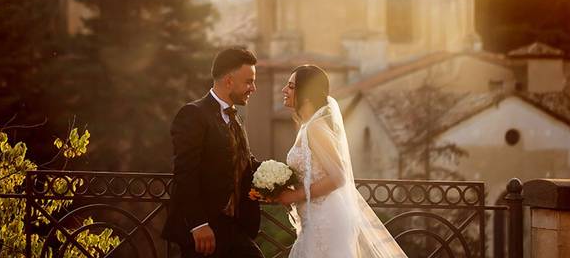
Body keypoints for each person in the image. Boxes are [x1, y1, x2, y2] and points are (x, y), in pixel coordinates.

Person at [276, 65, 407, 258]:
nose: (284, 90)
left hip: (326, 220)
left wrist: (294, 196)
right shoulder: (307, 127)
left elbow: (338, 177)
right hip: (314, 220)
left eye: (291, 86)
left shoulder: (315, 128)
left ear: (306, 94)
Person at [162, 47, 263, 258]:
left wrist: (284, 174)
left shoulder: (236, 118)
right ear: (228, 81)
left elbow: (245, 162)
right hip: (204, 232)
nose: (253, 88)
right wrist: (198, 225)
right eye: (248, 81)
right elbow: (185, 173)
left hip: (234, 228)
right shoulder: (193, 114)